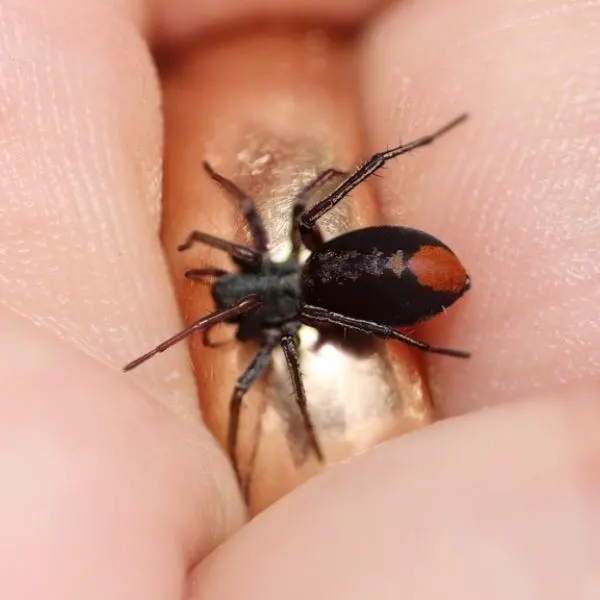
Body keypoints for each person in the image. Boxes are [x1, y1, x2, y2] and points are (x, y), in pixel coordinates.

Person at [1, 0, 598, 597]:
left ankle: (422, 150)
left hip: (375, 267)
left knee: (308, 235)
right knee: (309, 222)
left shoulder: (294, 303)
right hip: (355, 271)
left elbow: (242, 222)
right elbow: (240, 229)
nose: (227, 287)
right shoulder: (286, 280)